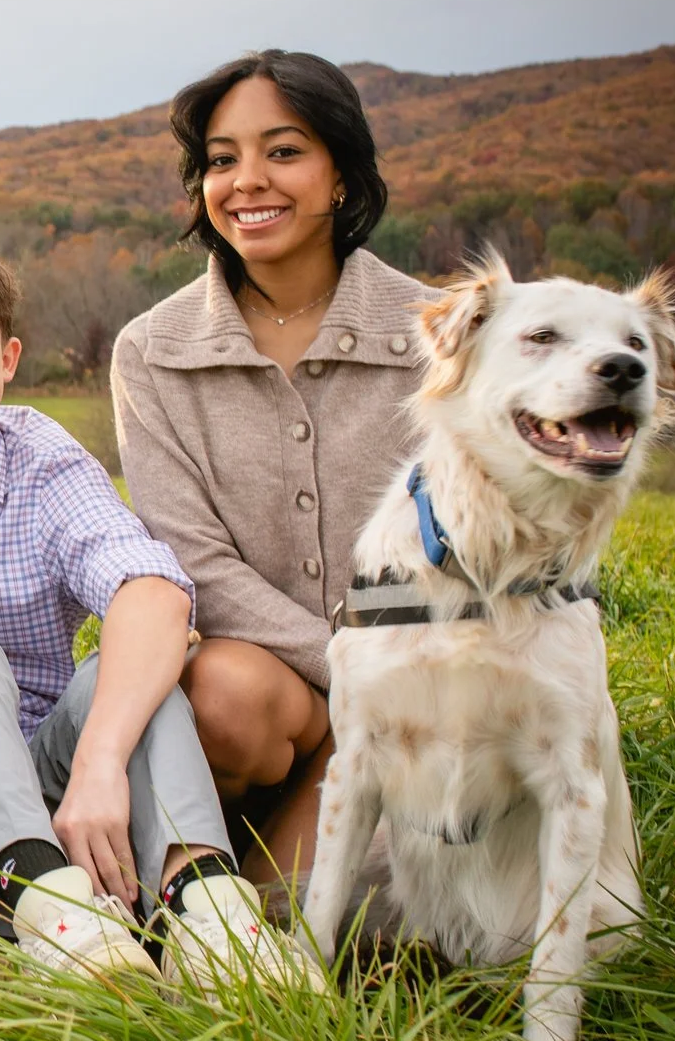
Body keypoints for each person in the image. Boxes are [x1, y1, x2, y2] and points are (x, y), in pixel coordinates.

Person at [0, 224, 319, 991]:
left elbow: (152, 591)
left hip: (44, 786)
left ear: (9, 359)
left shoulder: (39, 458)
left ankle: (212, 919)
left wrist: (98, 762)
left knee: (122, 671)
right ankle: (54, 920)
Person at [111, 51, 437, 913]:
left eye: (283, 151)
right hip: (270, 703)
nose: (248, 180)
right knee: (221, 690)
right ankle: (195, 868)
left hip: (416, 686)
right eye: (222, 159)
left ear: (340, 174)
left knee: (375, 922)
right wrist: (343, 660)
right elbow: (194, 561)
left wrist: (388, 670)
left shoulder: (440, 339)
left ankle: (257, 887)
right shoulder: (153, 351)